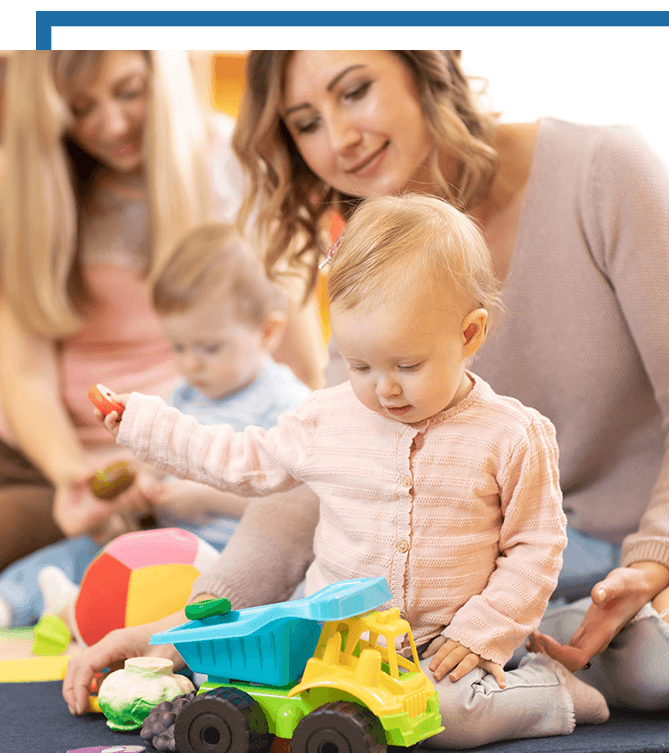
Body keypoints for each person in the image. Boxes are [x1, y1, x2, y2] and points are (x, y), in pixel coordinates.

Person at [63, 49, 669, 727]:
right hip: (464, 599)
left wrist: (656, 561)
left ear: (425, 65)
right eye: (305, 123)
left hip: (639, 557)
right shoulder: (373, 272)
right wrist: (186, 631)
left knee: (658, 657)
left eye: (354, 91)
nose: (338, 140)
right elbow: (314, 481)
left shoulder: (602, 170)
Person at [94, 194, 614, 747]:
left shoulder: (512, 434)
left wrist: (483, 630)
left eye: (407, 366)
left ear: (469, 334)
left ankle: (550, 690)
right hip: (334, 641)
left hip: (447, 644)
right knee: (242, 684)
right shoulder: (328, 418)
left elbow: (536, 547)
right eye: (359, 364)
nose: (383, 388)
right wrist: (144, 424)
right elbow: (241, 459)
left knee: (444, 719)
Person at [0, 50, 325, 573]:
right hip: (49, 462)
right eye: (80, 108)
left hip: (181, 465)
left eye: (128, 91)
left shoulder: (234, 166)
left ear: (162, 73)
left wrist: (188, 473)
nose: (110, 124)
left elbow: (300, 370)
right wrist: (73, 476)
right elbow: (23, 373)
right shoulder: (26, 184)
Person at [0, 222, 312, 628]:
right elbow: (149, 461)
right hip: (160, 538)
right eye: (178, 347)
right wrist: (138, 486)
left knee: (187, 598)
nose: (191, 363)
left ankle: (78, 610)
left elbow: (297, 503)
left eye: (209, 347)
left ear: (267, 332)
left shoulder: (288, 404)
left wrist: (204, 499)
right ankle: (15, 600)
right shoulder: (184, 395)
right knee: (84, 552)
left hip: (232, 552)